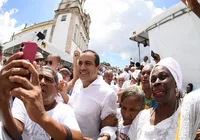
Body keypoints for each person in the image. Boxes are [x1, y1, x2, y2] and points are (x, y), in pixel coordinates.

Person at [0, 52, 83, 140]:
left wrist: (42, 117)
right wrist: (3, 102)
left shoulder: (65, 110)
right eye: (39, 77)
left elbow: (78, 138)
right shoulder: (22, 101)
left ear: (57, 88)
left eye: (48, 79)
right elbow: (16, 132)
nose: (42, 82)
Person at [128, 57, 200, 139]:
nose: (156, 82)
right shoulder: (142, 117)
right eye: (153, 79)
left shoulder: (188, 111)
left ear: (176, 82)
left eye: (163, 77)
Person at [68, 50, 117, 140]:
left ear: (97, 67)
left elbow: (110, 125)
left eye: (88, 63)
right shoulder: (78, 83)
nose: (82, 68)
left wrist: (105, 136)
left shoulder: (108, 93)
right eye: (80, 63)